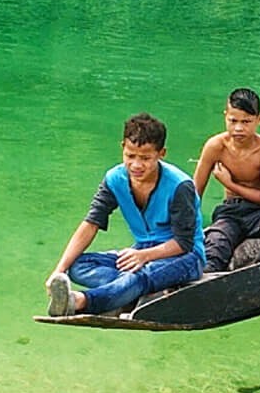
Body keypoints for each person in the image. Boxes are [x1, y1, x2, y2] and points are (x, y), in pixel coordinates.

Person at [46, 112, 204, 316]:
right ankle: (129, 291)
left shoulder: (180, 186)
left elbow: (184, 243)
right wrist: (59, 270)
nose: (136, 165)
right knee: (78, 266)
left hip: (185, 257)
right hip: (142, 251)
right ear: (122, 148)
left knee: (137, 278)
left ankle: (79, 301)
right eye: (130, 156)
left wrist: (144, 256)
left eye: (146, 158)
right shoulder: (114, 178)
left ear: (161, 153)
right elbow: (91, 222)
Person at [194, 87, 260, 272]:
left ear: (259, 120)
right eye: (233, 121)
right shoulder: (215, 146)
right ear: (225, 116)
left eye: (246, 122)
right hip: (231, 211)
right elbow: (194, 193)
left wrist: (230, 184)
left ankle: (259, 272)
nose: (238, 128)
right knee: (215, 246)